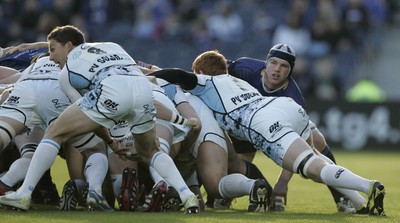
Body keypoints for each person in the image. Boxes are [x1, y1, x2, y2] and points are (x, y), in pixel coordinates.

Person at [151, 50, 386, 216]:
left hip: (261, 121)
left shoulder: (206, 81)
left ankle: (368, 185)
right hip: (283, 108)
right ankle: (360, 201)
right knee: (315, 156)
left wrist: (148, 76)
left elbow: (178, 75)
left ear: (202, 71)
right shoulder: (235, 78)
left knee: (313, 168)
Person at [0, 25, 200, 214]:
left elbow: (87, 117)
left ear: (69, 46)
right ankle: (187, 194)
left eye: (53, 50)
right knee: (151, 150)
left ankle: (24, 194)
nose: (51, 57)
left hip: (111, 91)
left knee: (55, 133)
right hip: (143, 89)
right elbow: (139, 78)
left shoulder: (67, 73)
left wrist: (111, 142)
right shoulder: (112, 46)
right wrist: (181, 120)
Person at [226, 43, 353, 212]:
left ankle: (341, 197)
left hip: (277, 125)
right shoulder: (243, 68)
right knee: (238, 163)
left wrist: (282, 183)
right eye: (273, 63)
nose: (277, 69)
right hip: (243, 123)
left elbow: (296, 146)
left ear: (290, 70)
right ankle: (223, 196)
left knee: (316, 141)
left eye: (284, 66)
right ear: (266, 63)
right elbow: (213, 71)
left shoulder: (294, 99)